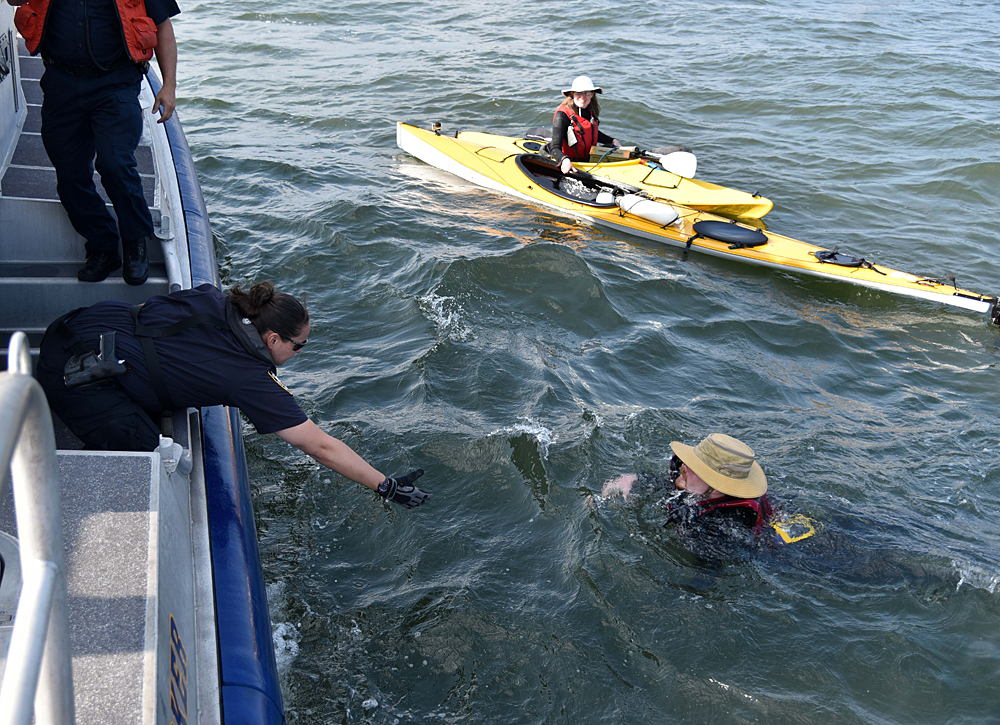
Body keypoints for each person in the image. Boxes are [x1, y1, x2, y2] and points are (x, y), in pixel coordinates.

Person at [35, 281, 431, 508]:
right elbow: (319, 446)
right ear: (272, 338)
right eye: (298, 347)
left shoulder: (213, 297)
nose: (298, 354)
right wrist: (386, 485)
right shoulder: (247, 377)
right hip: (72, 375)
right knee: (152, 458)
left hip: (71, 326)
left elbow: (146, 309)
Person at [8, 0, 180, 285]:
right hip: (61, 81)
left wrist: (169, 86)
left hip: (116, 82)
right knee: (70, 173)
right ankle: (102, 245)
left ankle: (136, 243)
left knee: (115, 164)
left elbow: (163, 28)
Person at [603, 433, 772, 534]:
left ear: (717, 488)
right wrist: (633, 479)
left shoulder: (717, 529)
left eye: (698, 468)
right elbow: (675, 486)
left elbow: (705, 579)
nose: (684, 466)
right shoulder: (697, 485)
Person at [542, 75, 621, 176]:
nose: (583, 97)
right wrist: (564, 160)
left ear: (592, 94)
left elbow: (590, 133)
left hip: (589, 160)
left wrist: (612, 140)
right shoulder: (562, 115)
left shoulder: (589, 110)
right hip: (571, 162)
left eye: (587, 93)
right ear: (572, 94)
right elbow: (555, 147)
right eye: (578, 93)